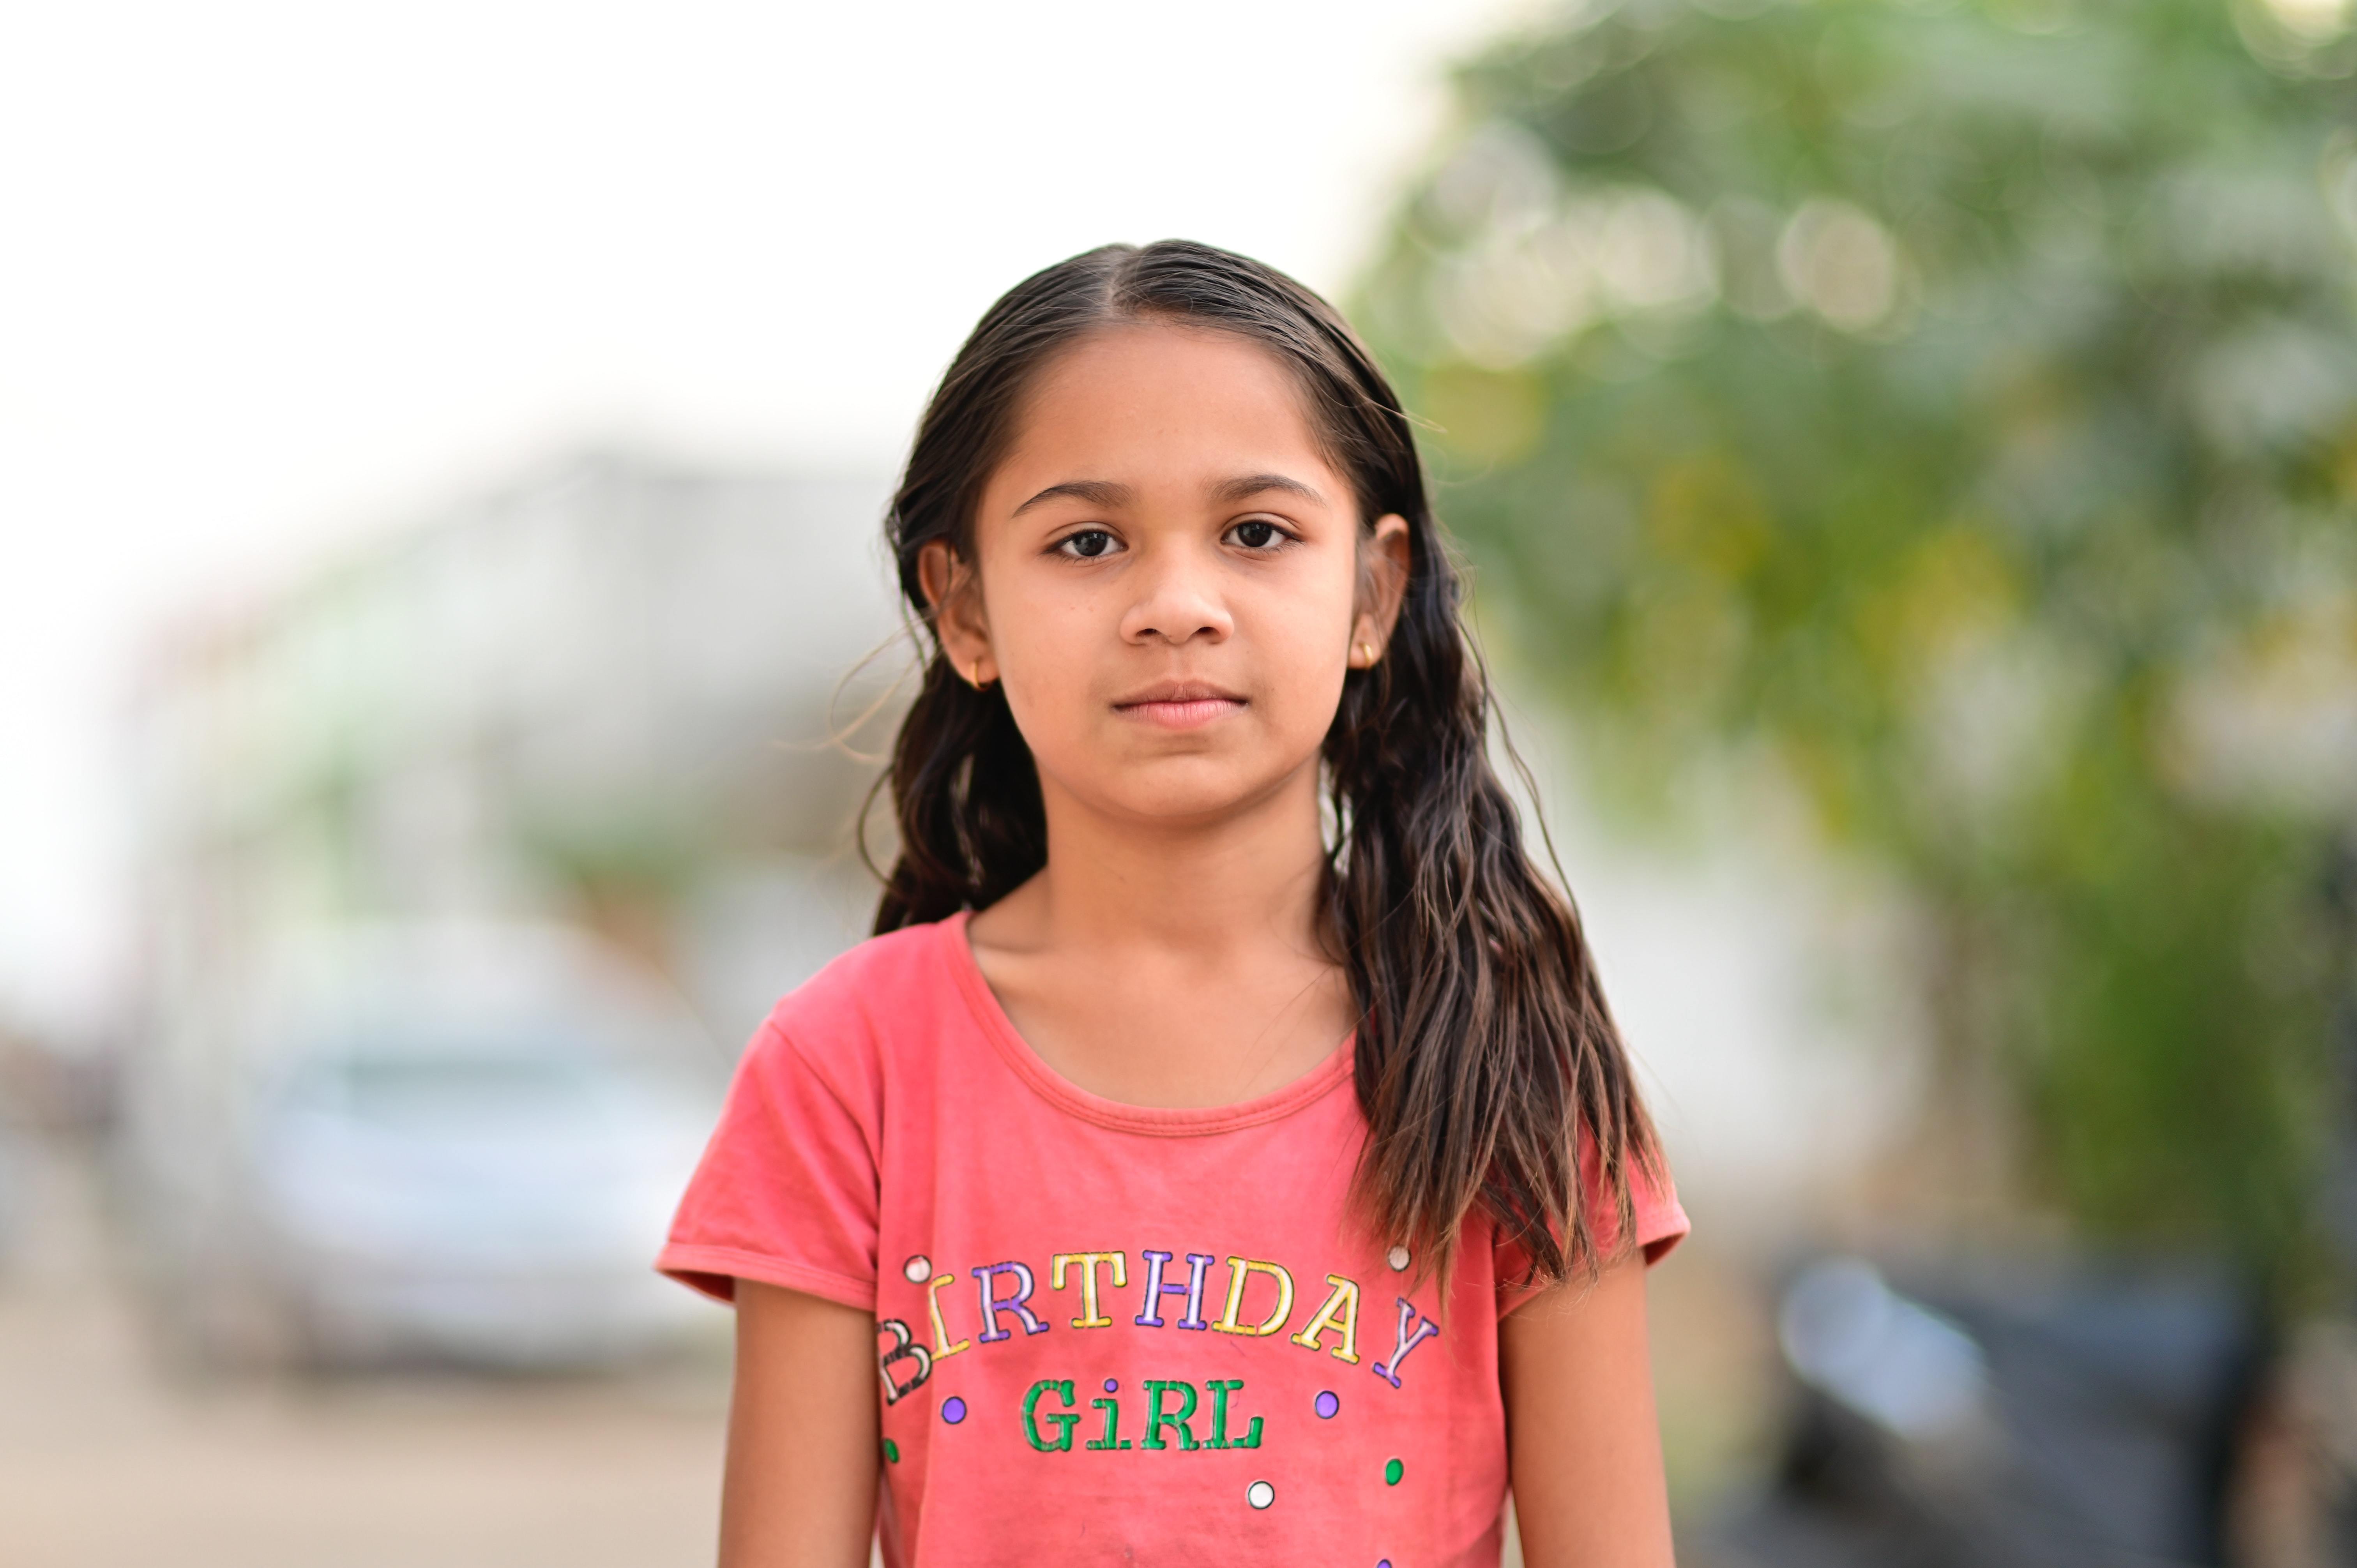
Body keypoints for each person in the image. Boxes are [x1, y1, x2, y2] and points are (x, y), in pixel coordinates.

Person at [657, 240, 1688, 1568]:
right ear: (964, 609)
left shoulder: (1509, 1056)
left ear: (1373, 590)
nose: (1176, 606)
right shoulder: (847, 1067)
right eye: (1088, 542)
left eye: (1256, 533)